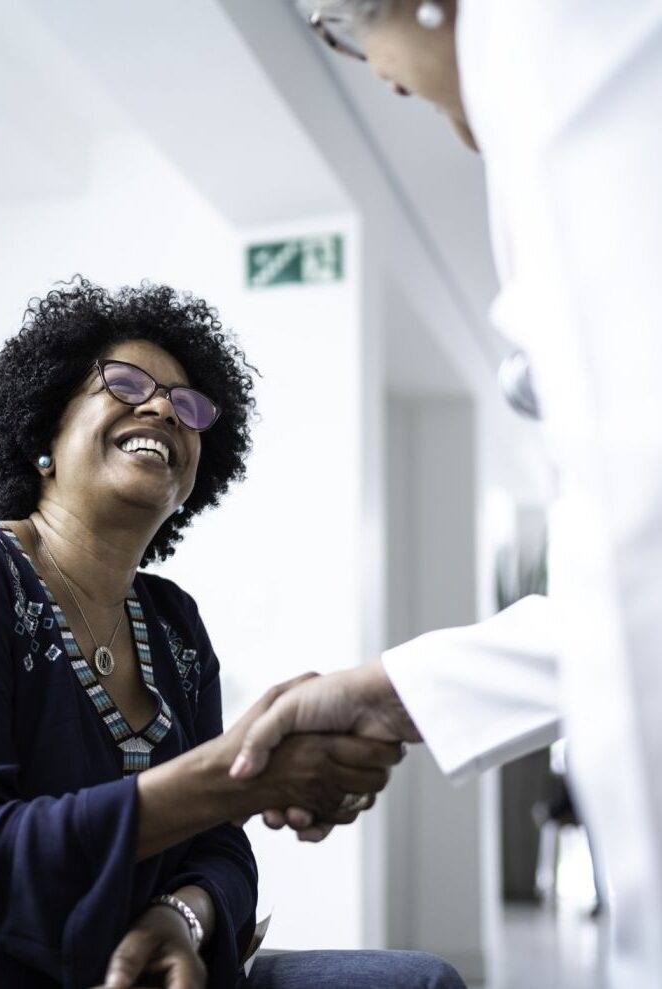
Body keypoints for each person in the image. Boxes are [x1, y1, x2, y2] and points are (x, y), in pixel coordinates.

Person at [232, 2, 662, 987]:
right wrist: (391, 693)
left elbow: (641, 551)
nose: (373, 74)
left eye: (341, 26)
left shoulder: (550, 44)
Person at [0, 276, 466, 989]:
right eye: (128, 381)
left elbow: (222, 850)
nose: (164, 409)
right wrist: (230, 778)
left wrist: (181, 917)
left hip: (176, 968)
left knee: (424, 981)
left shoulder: (174, 622)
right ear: (44, 426)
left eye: (187, 405)